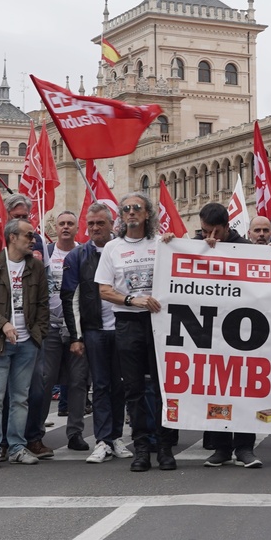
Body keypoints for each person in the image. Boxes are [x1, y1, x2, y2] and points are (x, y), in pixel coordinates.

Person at [96, 192, 178, 473]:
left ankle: (165, 447)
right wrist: (133, 300)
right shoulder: (112, 248)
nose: (131, 212)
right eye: (126, 209)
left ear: (147, 214)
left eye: (137, 209)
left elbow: (190, 265)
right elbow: (104, 290)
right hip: (128, 323)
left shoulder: (162, 243)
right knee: (133, 390)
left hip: (160, 325)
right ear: (121, 215)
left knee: (164, 388)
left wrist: (174, 243)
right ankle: (141, 448)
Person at [0, 217, 49, 469]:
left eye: (33, 235)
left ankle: (17, 447)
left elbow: (42, 305)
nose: (33, 239)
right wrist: (3, 325)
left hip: (28, 344)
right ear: (13, 237)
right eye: (28, 235)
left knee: (20, 398)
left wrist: (38, 333)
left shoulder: (36, 267)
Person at [61, 202, 130, 464]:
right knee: (100, 385)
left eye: (100, 223)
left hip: (124, 329)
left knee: (120, 386)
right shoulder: (77, 257)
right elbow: (70, 299)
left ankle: (116, 437)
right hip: (94, 331)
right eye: (90, 223)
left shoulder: (124, 251)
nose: (95, 228)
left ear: (112, 224)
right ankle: (102, 440)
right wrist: (76, 337)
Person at [197, 202, 260, 468]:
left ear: (226, 227)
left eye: (215, 232)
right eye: (204, 232)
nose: (210, 237)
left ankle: (245, 447)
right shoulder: (195, 246)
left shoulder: (246, 248)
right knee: (218, 388)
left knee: (243, 390)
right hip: (212, 332)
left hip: (243, 332)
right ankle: (221, 447)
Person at [27, 210, 90, 457]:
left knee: (77, 382)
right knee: (44, 382)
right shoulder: (45, 254)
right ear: (56, 227)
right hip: (50, 329)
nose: (65, 227)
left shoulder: (84, 253)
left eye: (70, 224)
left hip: (77, 329)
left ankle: (75, 434)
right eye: (61, 223)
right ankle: (36, 435)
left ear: (76, 228)